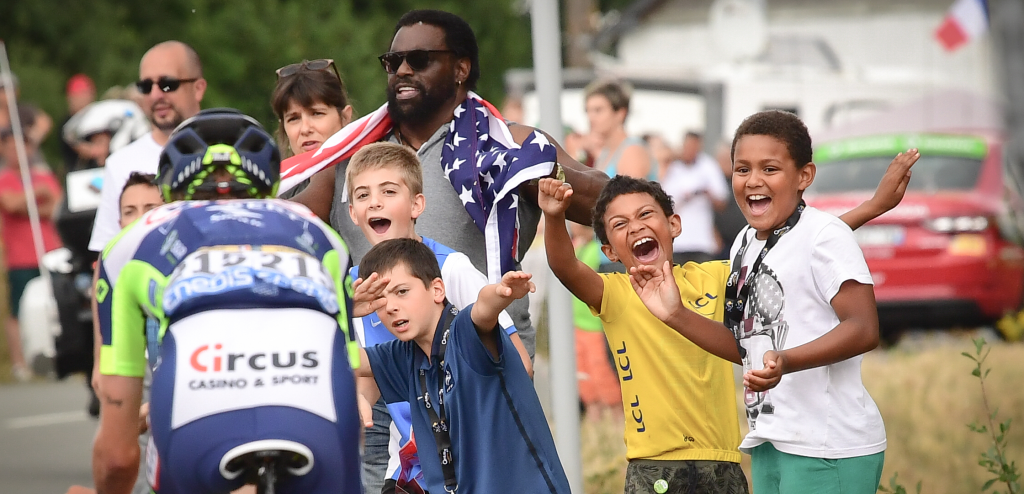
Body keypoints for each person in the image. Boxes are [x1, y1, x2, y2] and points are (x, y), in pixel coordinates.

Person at [537, 137, 916, 493]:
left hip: (723, 460)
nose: (635, 226)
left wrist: (873, 207)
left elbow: (795, 249)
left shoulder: (716, 276)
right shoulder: (614, 293)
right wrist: (554, 218)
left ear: (674, 225)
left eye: (645, 215)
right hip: (654, 466)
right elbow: (566, 266)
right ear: (611, 251)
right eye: (620, 225)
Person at [287, 9, 609, 359]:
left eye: (420, 59)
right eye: (394, 63)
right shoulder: (355, 155)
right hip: (381, 381)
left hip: (481, 371)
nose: (404, 71)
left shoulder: (505, 144)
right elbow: (286, 226)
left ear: (461, 68)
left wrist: (538, 171)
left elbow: (605, 202)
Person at [91, 109, 361, 494]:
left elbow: (117, 457)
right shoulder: (318, 233)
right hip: (316, 415)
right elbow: (349, 374)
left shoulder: (134, 240)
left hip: (197, 420)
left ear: (170, 186)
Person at [345, 142, 533, 492]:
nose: (375, 202)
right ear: (353, 213)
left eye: (388, 191)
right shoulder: (356, 289)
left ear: (417, 204)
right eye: (363, 194)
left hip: (477, 466)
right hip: (410, 469)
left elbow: (521, 363)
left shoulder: (452, 268)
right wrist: (359, 398)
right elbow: (374, 372)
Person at [355, 238, 571, 493]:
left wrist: (500, 292)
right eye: (380, 299)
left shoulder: (464, 333)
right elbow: (338, 358)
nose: (390, 307)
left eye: (402, 292)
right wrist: (342, 310)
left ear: (437, 290)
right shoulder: (404, 355)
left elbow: (483, 308)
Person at [88, 40, 206, 253]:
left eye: (167, 84)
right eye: (145, 86)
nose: (155, 95)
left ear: (198, 89)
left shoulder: (230, 150)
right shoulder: (120, 164)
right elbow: (105, 256)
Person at [0, 111, 63, 381]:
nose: (18, 151)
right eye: (11, 145)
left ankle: (56, 357)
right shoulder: (5, 178)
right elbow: (11, 203)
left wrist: (37, 200)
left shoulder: (44, 175)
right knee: (17, 311)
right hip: (19, 257)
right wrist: (36, 195)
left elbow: (57, 207)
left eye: (22, 145)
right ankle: (20, 363)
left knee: (55, 305)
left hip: (50, 252)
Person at [569, 222, 620, 419]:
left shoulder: (598, 250)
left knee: (605, 380)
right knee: (586, 383)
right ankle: (595, 431)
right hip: (577, 326)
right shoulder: (576, 246)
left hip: (596, 327)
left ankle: (617, 428)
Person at [661, 131, 729, 265]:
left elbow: (722, 203)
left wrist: (706, 193)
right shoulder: (672, 169)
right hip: (677, 242)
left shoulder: (708, 166)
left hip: (702, 241)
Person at [271, 59, 354, 159]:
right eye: (293, 119)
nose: (305, 129)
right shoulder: (274, 174)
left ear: (345, 117)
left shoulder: (371, 171)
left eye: (316, 113)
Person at [584, 78, 657, 181]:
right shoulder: (605, 153)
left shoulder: (632, 150)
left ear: (620, 113)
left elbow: (634, 195)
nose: (591, 118)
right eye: (588, 111)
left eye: (598, 110)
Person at [60, 74, 98, 170]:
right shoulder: (67, 125)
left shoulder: (98, 119)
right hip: (78, 174)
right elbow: (87, 151)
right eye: (80, 95)